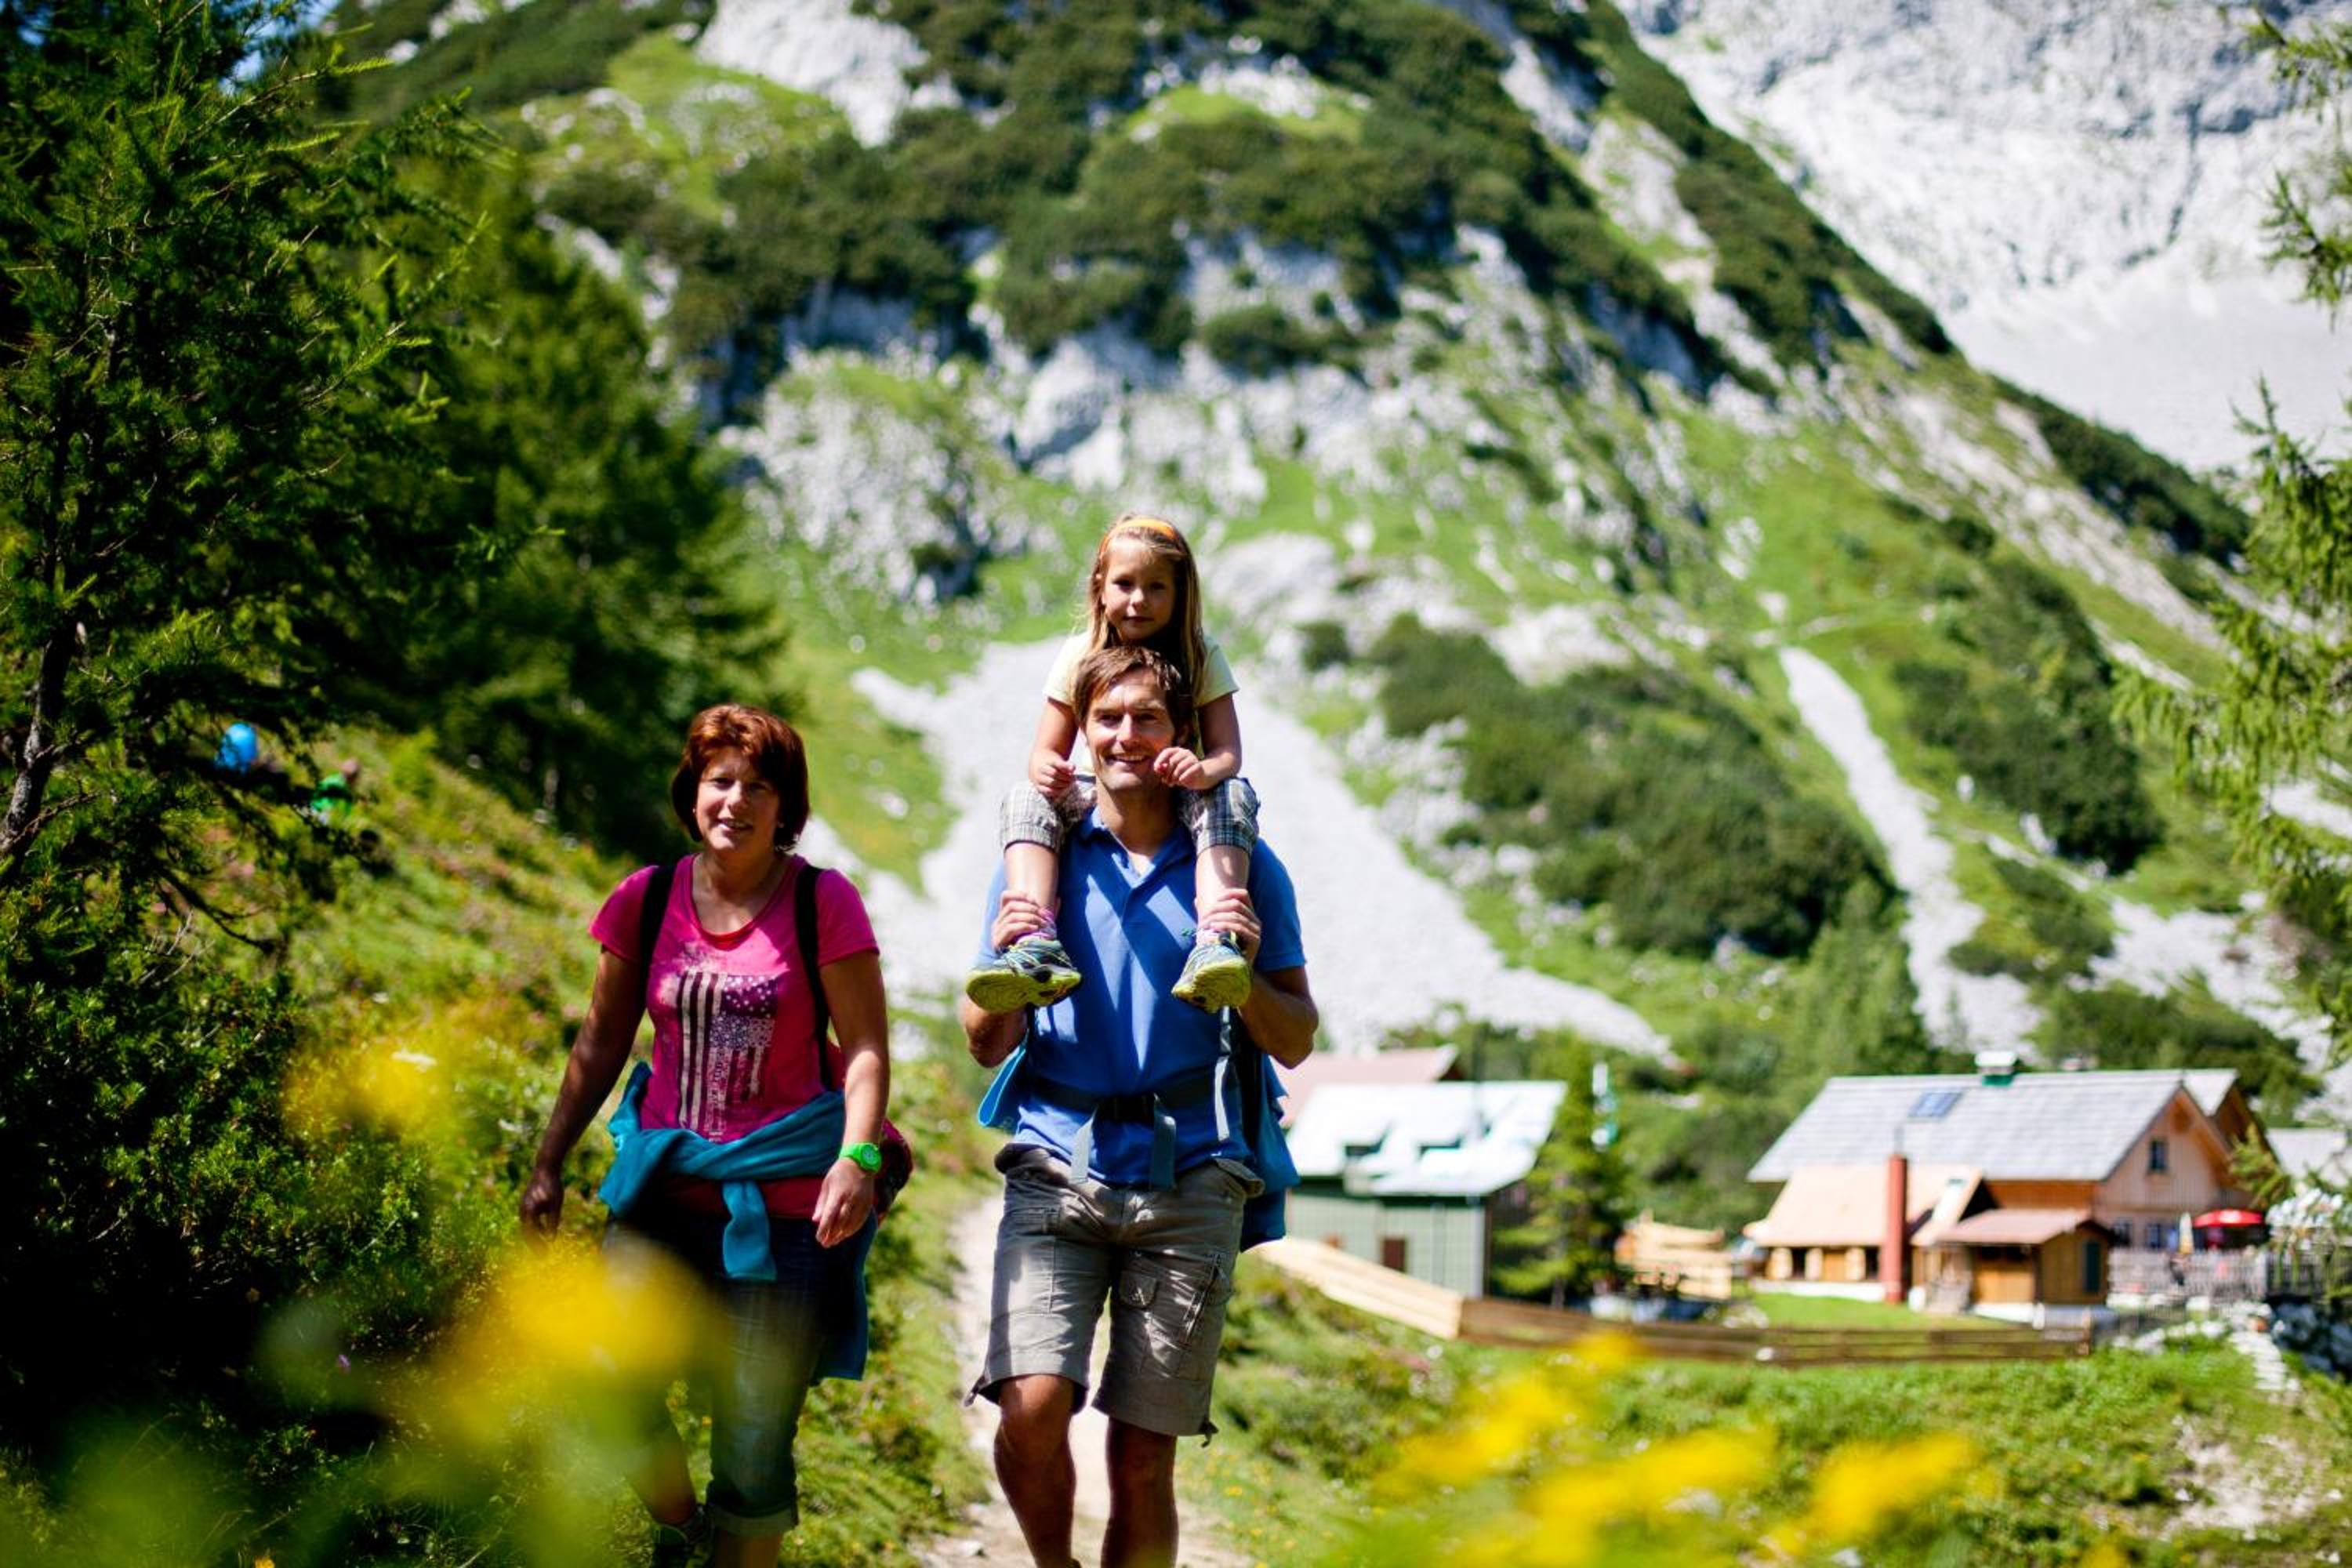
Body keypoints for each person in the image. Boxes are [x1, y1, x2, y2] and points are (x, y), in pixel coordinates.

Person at [961, 644, 1318, 1568]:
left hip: (1194, 1174)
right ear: (1080, 733)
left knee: (1143, 1455)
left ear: (1182, 733)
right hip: (1056, 1160)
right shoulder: (1038, 858)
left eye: (1147, 718)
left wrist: (1243, 977)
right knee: (1031, 1404)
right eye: (1107, 718)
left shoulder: (1242, 868)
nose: (1125, 736)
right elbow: (983, 1038)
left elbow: (1296, 1035)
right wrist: (1011, 973)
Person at [520, 703, 890, 1568]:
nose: (737, 800)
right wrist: (548, 1161)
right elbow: (600, 1041)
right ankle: (681, 1526)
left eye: (759, 786)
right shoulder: (646, 898)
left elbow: (867, 1048)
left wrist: (857, 1156)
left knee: (753, 1452)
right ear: (692, 794)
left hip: (786, 1213)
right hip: (662, 1194)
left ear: (785, 806)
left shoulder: (822, 902)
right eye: (721, 780)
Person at [965, 513, 1261, 1016]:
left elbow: (1228, 752)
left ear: (1180, 594)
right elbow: (1044, 750)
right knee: (1024, 798)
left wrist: (1202, 771)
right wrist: (1047, 770)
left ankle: (1217, 936)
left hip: (1182, 789)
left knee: (1232, 794)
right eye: (1125, 584)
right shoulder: (1079, 653)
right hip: (1094, 789)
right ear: (1100, 588)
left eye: (1156, 587)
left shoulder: (1201, 654)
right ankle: (1034, 937)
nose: (1139, 600)